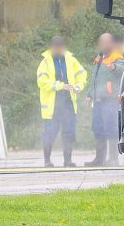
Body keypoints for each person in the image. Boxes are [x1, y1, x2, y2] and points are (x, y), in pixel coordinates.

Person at [36, 36, 87, 167]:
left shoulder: (71, 60)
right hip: (52, 106)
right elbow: (42, 82)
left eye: (60, 46)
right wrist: (60, 85)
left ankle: (68, 160)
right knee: (49, 133)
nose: (58, 49)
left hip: (69, 103)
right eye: (55, 46)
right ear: (51, 47)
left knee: (69, 132)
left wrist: (78, 86)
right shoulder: (45, 62)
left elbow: (82, 74)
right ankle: (47, 161)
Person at [86, 33, 124, 167]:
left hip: (110, 100)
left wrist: (115, 67)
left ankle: (113, 159)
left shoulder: (116, 56)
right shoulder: (99, 58)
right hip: (98, 100)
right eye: (101, 42)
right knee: (98, 128)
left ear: (111, 43)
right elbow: (94, 78)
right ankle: (99, 159)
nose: (103, 45)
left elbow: (123, 69)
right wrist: (90, 94)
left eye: (106, 42)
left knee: (111, 129)